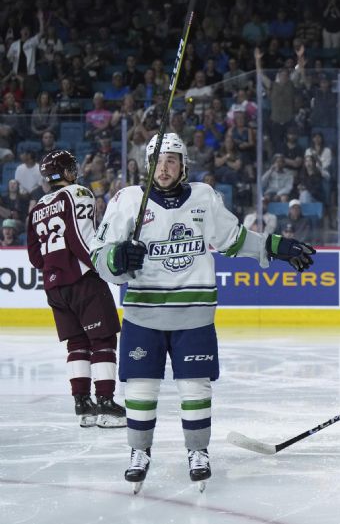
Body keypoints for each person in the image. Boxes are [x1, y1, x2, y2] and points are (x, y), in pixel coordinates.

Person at [89, 133, 317, 492]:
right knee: (142, 387)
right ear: (147, 165)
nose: (163, 168)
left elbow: (235, 239)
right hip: (142, 314)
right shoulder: (128, 200)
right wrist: (117, 258)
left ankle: (198, 452)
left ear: (183, 166)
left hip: (193, 315)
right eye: (157, 161)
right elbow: (99, 256)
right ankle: (139, 452)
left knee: (194, 386)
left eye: (171, 161)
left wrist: (275, 246)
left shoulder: (203, 197)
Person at [25, 150, 126, 429]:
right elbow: (81, 239)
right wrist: (101, 267)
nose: (75, 172)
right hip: (83, 280)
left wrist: (56, 264)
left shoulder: (36, 209)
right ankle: (106, 404)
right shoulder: (77, 193)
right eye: (72, 167)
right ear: (66, 172)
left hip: (54, 286)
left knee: (77, 344)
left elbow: (35, 257)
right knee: (102, 340)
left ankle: (83, 405)